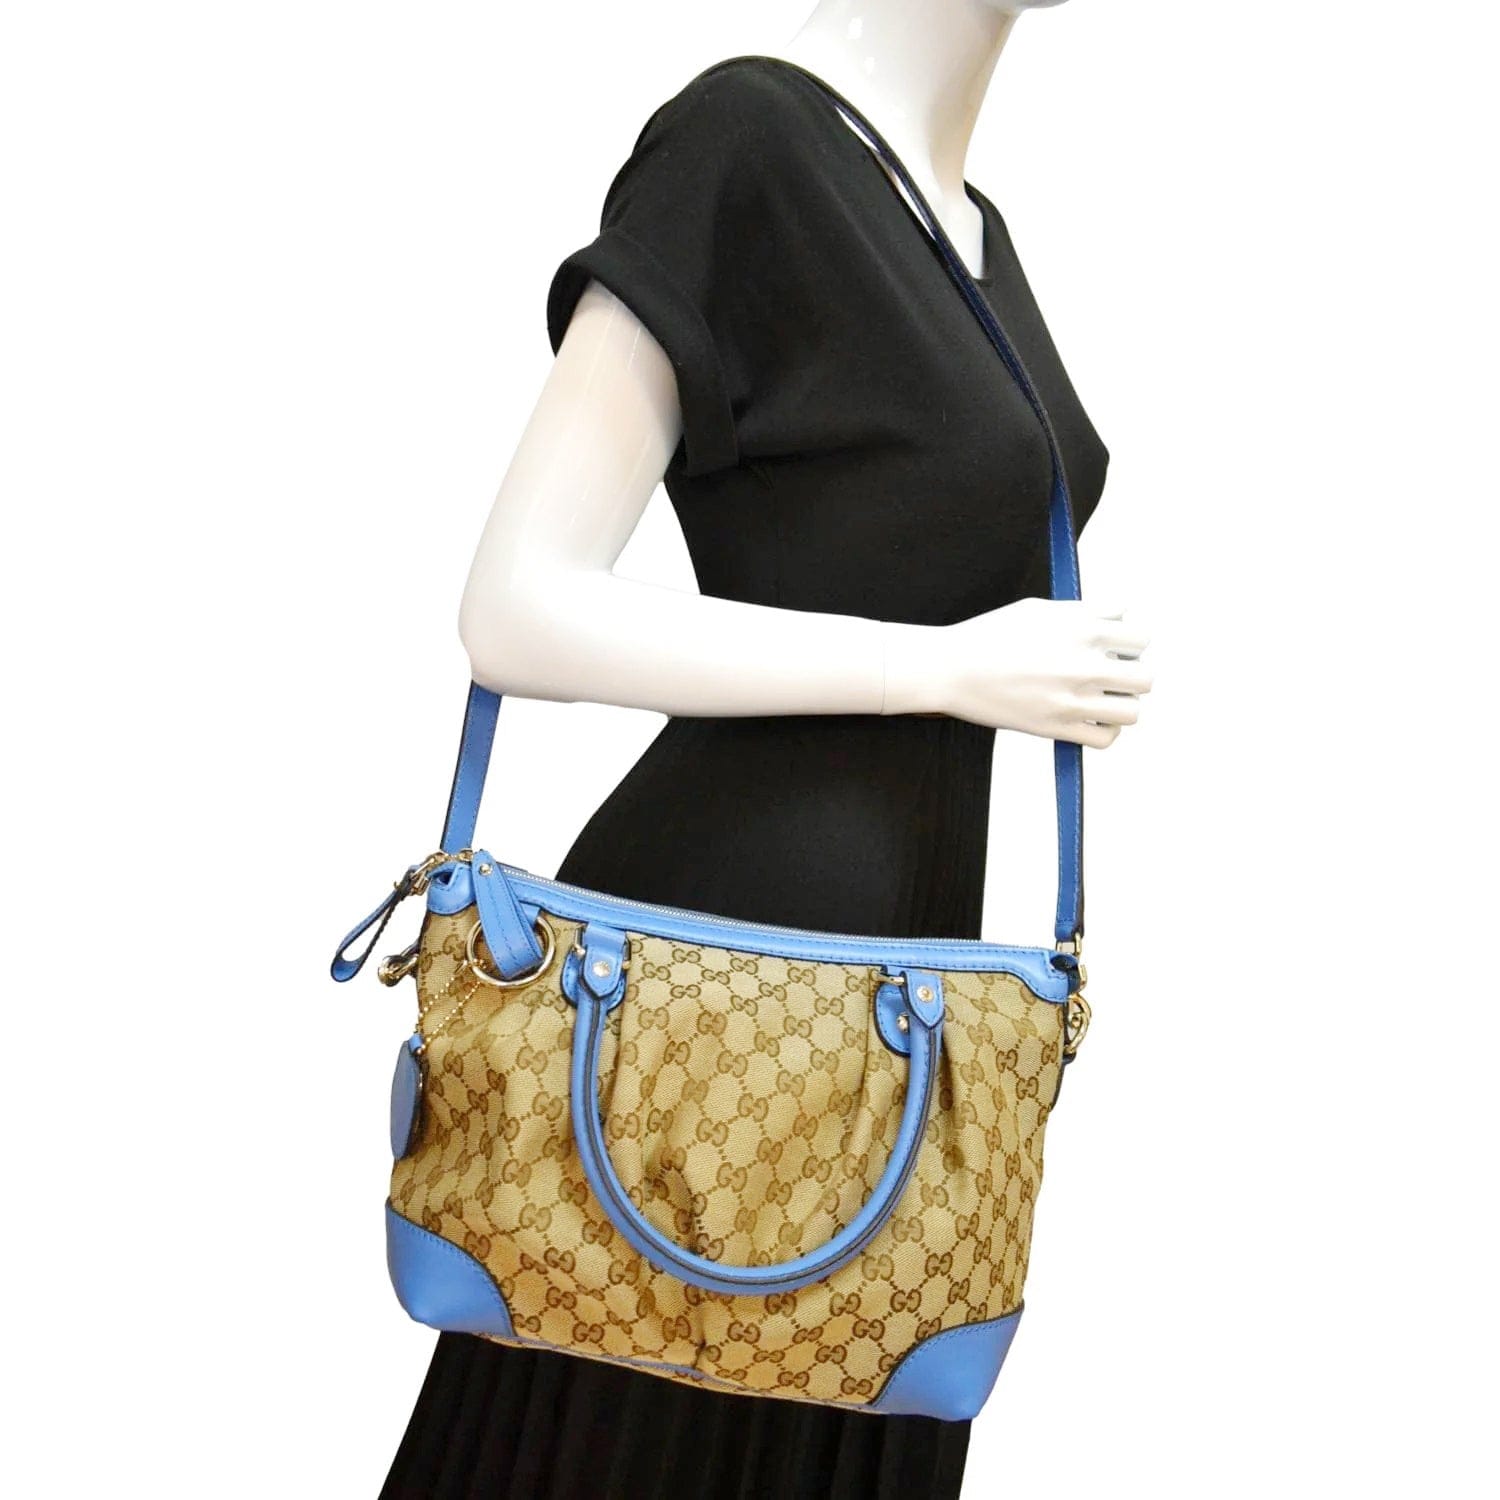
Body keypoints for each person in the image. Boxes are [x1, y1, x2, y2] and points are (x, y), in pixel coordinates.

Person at [381, 3, 1151, 1495]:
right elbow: (513, 608)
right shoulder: (745, 141)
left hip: (900, 1028)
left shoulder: (973, 236)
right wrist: (942, 670)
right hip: (690, 1012)